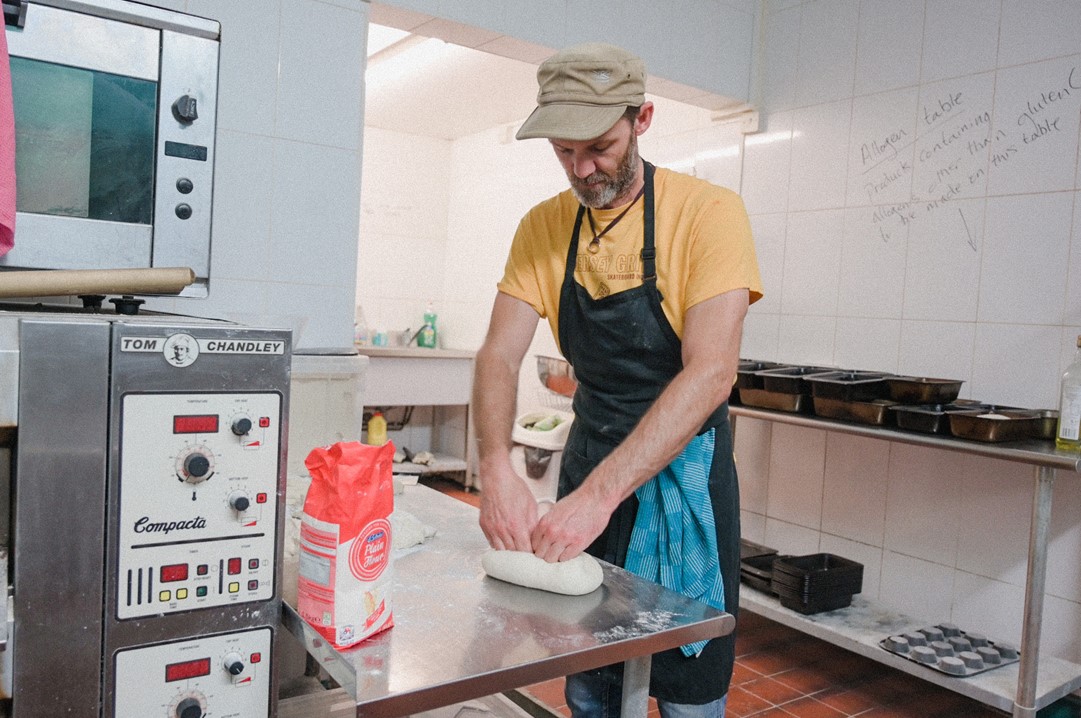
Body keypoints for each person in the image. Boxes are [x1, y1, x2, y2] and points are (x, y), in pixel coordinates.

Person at [472, 42, 762, 718]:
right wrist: (495, 466)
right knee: (590, 677)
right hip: (590, 456)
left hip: (682, 476)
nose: (582, 169)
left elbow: (711, 372)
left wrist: (601, 496)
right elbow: (498, 356)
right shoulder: (544, 227)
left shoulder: (708, 213)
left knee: (688, 685)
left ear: (643, 119)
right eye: (564, 152)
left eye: (599, 148)